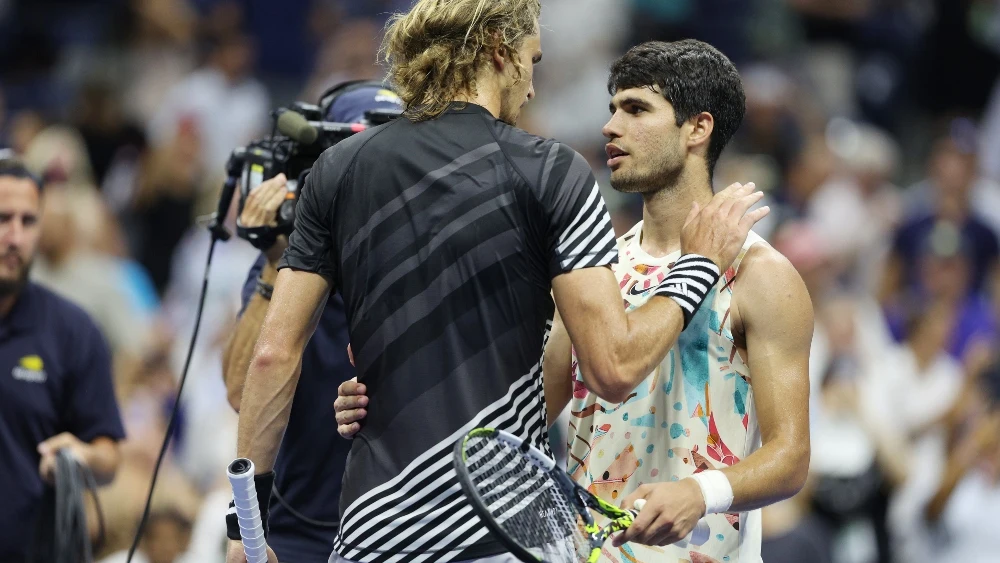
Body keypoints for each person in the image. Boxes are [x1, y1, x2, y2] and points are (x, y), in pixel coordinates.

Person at [232, 2, 768, 562]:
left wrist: (244, 529)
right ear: (498, 49)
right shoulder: (552, 170)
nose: (532, 87)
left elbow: (271, 356)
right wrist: (699, 266)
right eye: (531, 60)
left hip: (373, 535)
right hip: (504, 540)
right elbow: (613, 368)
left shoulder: (335, 169)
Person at [337, 40, 813, 563]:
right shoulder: (595, 270)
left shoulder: (761, 275)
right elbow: (522, 415)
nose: (610, 127)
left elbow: (789, 458)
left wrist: (701, 493)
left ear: (697, 129)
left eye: (636, 110)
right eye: (612, 109)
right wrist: (389, 404)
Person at [221, 83, 404, 563]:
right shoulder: (289, 268)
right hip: (293, 525)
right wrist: (271, 262)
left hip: (398, 525)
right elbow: (241, 392)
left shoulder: (416, 262)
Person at [0, 154, 125, 561]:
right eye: (2, 219)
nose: (15, 237)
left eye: (28, 221)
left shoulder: (72, 330)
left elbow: (108, 457)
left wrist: (80, 457)